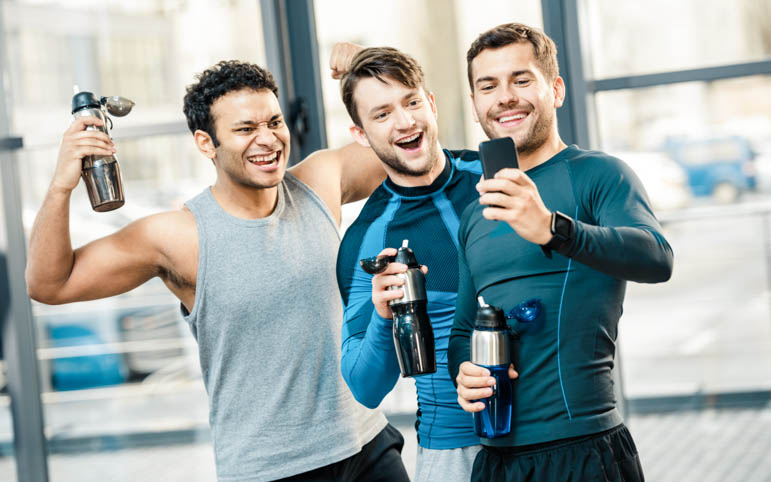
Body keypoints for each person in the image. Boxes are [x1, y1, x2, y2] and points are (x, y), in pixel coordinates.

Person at [25, 60, 411, 481]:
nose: (267, 139)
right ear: (206, 143)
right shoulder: (177, 236)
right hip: (272, 470)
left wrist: (370, 65)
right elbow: (49, 283)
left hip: (368, 445)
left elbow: (408, 146)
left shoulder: (320, 180)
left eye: (274, 122)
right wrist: (62, 183)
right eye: (245, 129)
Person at [448, 23, 674, 481]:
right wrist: (464, 372)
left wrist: (552, 228)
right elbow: (462, 330)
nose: (505, 97)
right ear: (475, 105)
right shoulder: (476, 212)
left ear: (556, 88)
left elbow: (657, 258)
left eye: (521, 79)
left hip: (586, 453)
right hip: (496, 461)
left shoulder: (600, 175)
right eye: (488, 86)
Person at [332, 45, 483, 481]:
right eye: (381, 114)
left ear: (431, 105)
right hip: (455, 449)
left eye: (412, 102)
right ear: (360, 134)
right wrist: (383, 317)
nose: (404, 121)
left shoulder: (494, 176)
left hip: (547, 429)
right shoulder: (368, 239)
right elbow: (365, 387)